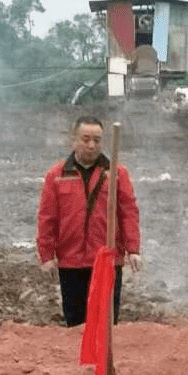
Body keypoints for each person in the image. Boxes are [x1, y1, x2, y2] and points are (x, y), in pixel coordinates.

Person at [37, 116, 142, 327]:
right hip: (70, 262)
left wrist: (133, 249)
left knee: (106, 327)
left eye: (97, 139)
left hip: (107, 261)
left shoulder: (117, 174)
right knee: (75, 325)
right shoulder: (56, 176)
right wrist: (47, 256)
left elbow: (128, 212)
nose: (91, 145)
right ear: (74, 140)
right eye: (85, 139)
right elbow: (47, 218)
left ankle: (103, 362)